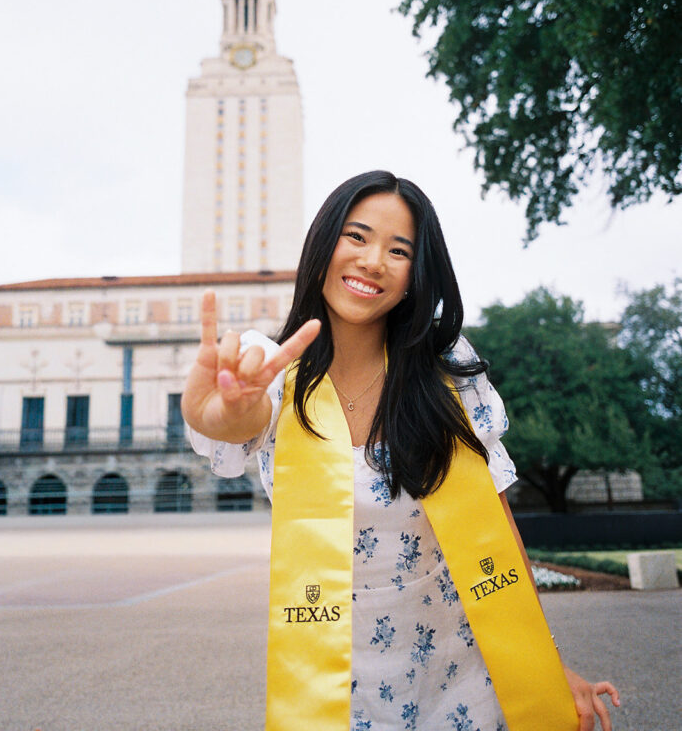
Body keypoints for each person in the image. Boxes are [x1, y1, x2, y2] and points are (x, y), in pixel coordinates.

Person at [183, 170, 620, 731]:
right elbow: (234, 420)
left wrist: (549, 663)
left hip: (463, 668)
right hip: (333, 679)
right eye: (357, 237)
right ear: (323, 245)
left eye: (398, 250)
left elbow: (497, 524)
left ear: (415, 274)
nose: (372, 261)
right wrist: (222, 412)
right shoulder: (274, 375)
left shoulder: (445, 369)